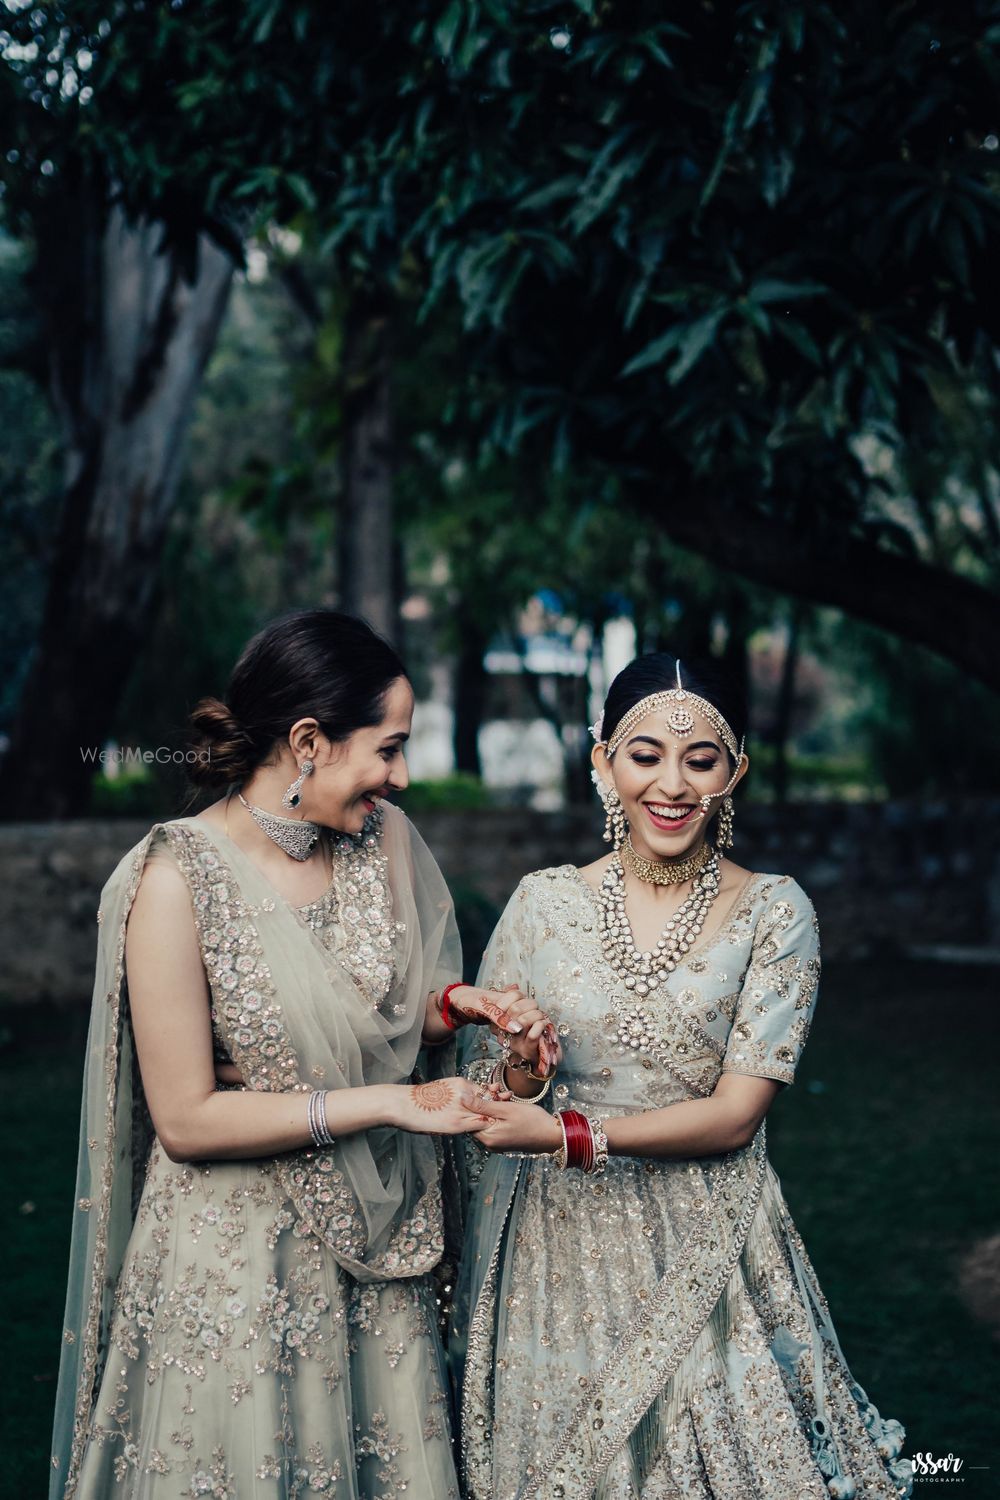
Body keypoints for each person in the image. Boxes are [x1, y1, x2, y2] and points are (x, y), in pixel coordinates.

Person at [49, 608, 559, 1500]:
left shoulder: (384, 841)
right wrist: (389, 1104)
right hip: (237, 1258)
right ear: (310, 740)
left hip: (377, 1251)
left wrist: (456, 1006)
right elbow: (187, 1119)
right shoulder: (174, 881)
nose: (401, 777)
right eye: (389, 748)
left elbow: (380, 1014)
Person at [452, 652, 913, 1500]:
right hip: (559, 1250)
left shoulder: (775, 912)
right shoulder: (542, 904)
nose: (672, 785)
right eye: (645, 755)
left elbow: (737, 1114)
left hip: (705, 1234)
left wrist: (567, 1133)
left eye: (701, 760)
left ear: (733, 772)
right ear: (602, 763)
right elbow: (489, 1090)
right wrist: (524, 1065)